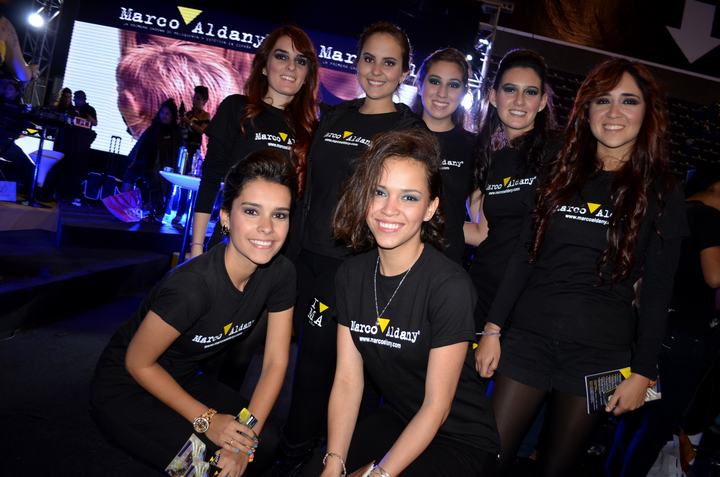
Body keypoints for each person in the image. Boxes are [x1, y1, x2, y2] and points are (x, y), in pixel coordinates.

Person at [475, 58, 688, 476]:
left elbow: (658, 289)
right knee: (487, 460)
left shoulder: (663, 189)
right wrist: (493, 330)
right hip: (529, 339)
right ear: (586, 110)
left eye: (628, 101)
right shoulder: (559, 169)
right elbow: (525, 254)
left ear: (647, 111)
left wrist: (643, 372)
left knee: (558, 468)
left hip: (600, 356)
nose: (613, 112)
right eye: (602, 100)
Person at [90, 149, 297, 477]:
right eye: (251, 211)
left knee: (265, 443)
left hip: (183, 380)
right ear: (226, 217)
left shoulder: (281, 273)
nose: (267, 228)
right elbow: (138, 363)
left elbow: (275, 363)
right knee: (205, 467)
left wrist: (245, 441)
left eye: (280, 215)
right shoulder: (192, 286)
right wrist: (208, 420)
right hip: (127, 388)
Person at [275, 22, 424, 474]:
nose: (377, 70)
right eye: (369, 59)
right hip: (306, 258)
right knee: (303, 358)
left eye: (389, 62)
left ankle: (304, 452)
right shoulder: (334, 117)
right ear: (356, 62)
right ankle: (306, 447)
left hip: (356, 266)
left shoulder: (408, 129)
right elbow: (311, 188)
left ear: (404, 72)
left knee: (323, 362)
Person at [312, 128, 499, 477]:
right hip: (399, 418)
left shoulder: (449, 286)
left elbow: (437, 407)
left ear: (430, 208)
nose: (389, 210)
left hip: (460, 438)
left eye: (409, 198)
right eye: (380, 192)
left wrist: (379, 475)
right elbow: (348, 381)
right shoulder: (351, 274)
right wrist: (333, 463)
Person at [606, 167, 720, 476]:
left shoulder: (673, 212)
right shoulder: (709, 218)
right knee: (657, 424)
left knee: (633, 416)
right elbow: (714, 276)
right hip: (685, 334)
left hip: (653, 327)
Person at [189, 25, 319, 257]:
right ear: (264, 67)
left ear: (307, 75)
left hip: (283, 254)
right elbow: (210, 180)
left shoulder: (312, 130)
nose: (291, 66)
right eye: (282, 56)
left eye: (301, 61)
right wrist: (197, 246)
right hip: (233, 244)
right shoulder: (236, 109)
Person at [465, 49, 558, 331]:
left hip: (530, 301)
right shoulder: (491, 157)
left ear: (542, 102)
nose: (519, 101)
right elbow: (482, 233)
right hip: (482, 292)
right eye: (510, 89)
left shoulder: (560, 155)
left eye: (530, 92)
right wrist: (422, 218)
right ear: (494, 97)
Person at [414, 47, 475, 263]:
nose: (442, 93)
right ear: (419, 84)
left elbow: (483, 227)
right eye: (435, 81)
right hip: (389, 256)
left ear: (464, 92)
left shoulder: (473, 147)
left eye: (453, 85)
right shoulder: (396, 133)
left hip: (444, 264)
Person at [122, 99, 182, 220]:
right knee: (130, 173)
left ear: (172, 116)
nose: (164, 116)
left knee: (155, 179)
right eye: (162, 112)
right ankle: (125, 203)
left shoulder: (175, 133)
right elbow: (140, 146)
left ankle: (152, 208)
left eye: (167, 114)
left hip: (163, 167)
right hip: (146, 163)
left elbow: (174, 154)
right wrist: (134, 160)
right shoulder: (153, 128)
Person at [173, 85, 211, 227]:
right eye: (194, 97)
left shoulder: (205, 116)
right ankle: (171, 212)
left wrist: (189, 122)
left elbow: (203, 131)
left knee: (188, 184)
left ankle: (182, 215)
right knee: (178, 181)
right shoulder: (188, 114)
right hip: (182, 150)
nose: (195, 100)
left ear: (204, 101)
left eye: (198, 98)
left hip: (194, 152)